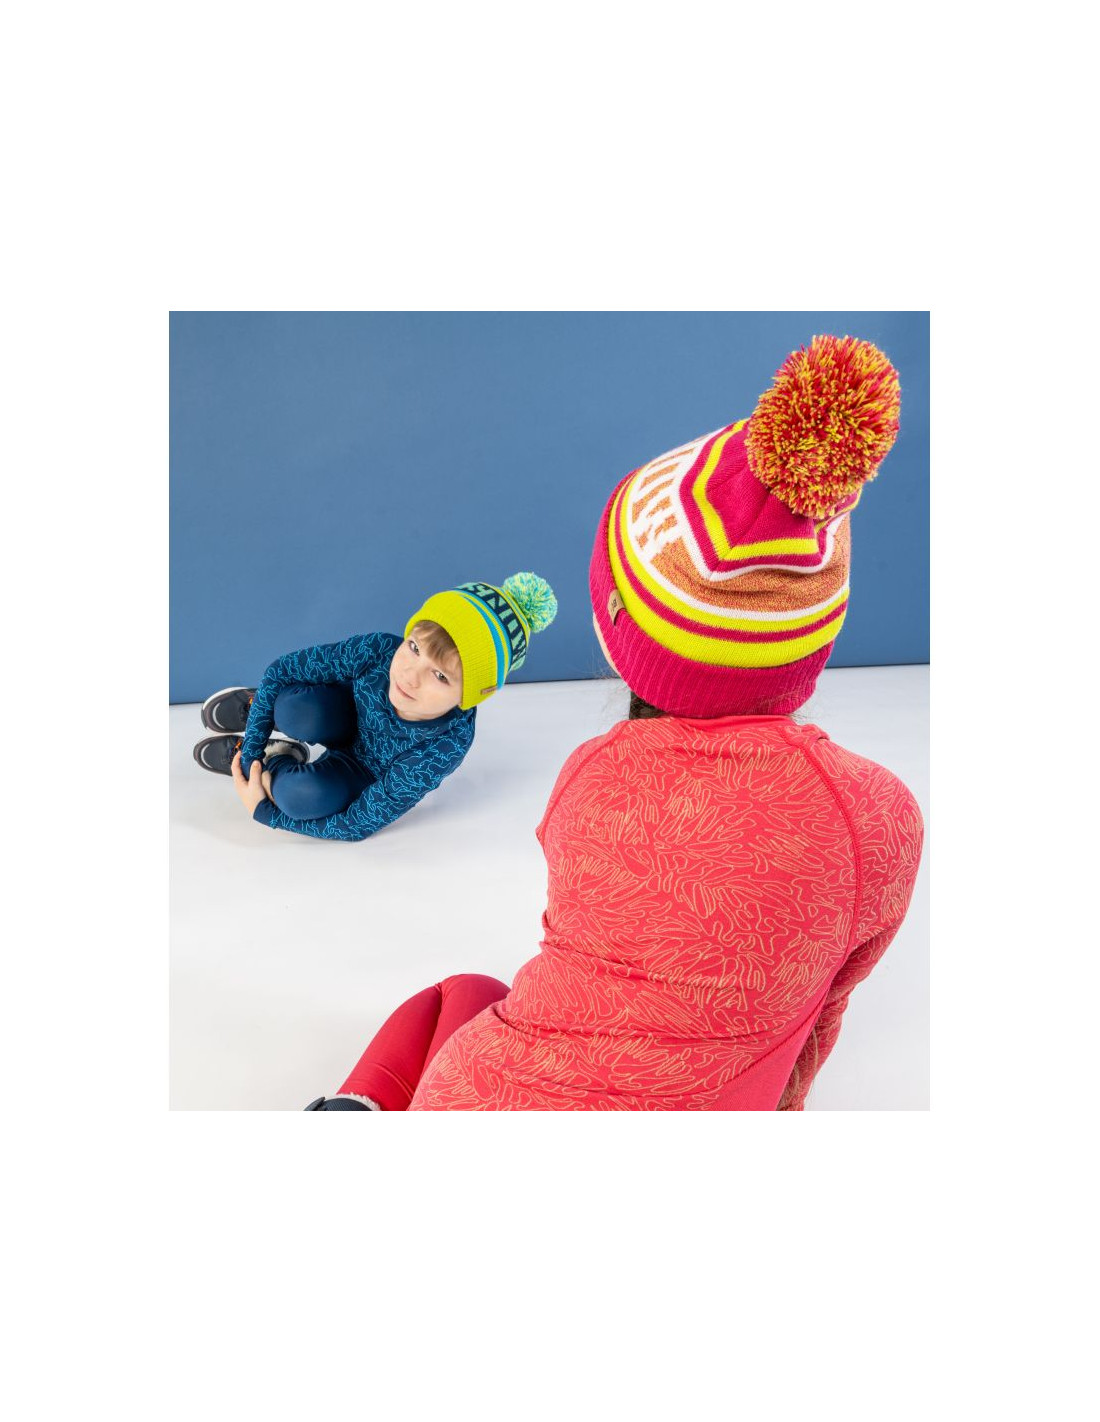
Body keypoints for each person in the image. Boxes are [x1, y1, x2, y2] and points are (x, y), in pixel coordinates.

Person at [306, 334, 924, 1108]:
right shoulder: (882, 818)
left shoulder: (590, 778)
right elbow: (819, 1021)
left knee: (462, 993)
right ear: (813, 639)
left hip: (478, 1098)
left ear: (615, 631)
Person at [192, 573, 557, 842]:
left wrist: (265, 811)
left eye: (440, 676)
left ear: (468, 697)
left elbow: (357, 824)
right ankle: (263, 710)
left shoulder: (446, 744)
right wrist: (250, 752)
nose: (410, 676)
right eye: (414, 648)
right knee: (295, 707)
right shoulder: (379, 651)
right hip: (339, 712)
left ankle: (276, 761)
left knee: (299, 798)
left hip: (362, 770)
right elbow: (282, 669)